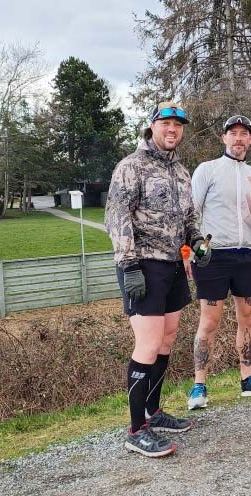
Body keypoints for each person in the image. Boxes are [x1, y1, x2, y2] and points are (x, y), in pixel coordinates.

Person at [105, 101, 211, 457]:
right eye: (166, 123)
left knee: (166, 340)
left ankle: (154, 411)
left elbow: (189, 217)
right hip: (142, 266)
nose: (172, 130)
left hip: (172, 266)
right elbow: (116, 217)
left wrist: (196, 240)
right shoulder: (130, 166)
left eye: (178, 126)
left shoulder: (181, 171)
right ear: (151, 126)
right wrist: (129, 265)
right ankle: (136, 429)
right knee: (147, 345)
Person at [186, 115, 251, 410]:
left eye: (244, 134)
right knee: (209, 321)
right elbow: (191, 214)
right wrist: (188, 252)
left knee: (249, 318)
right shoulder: (207, 170)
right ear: (223, 138)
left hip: (247, 253)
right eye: (233, 133)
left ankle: (248, 379)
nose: (238, 139)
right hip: (213, 254)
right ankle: (199, 386)